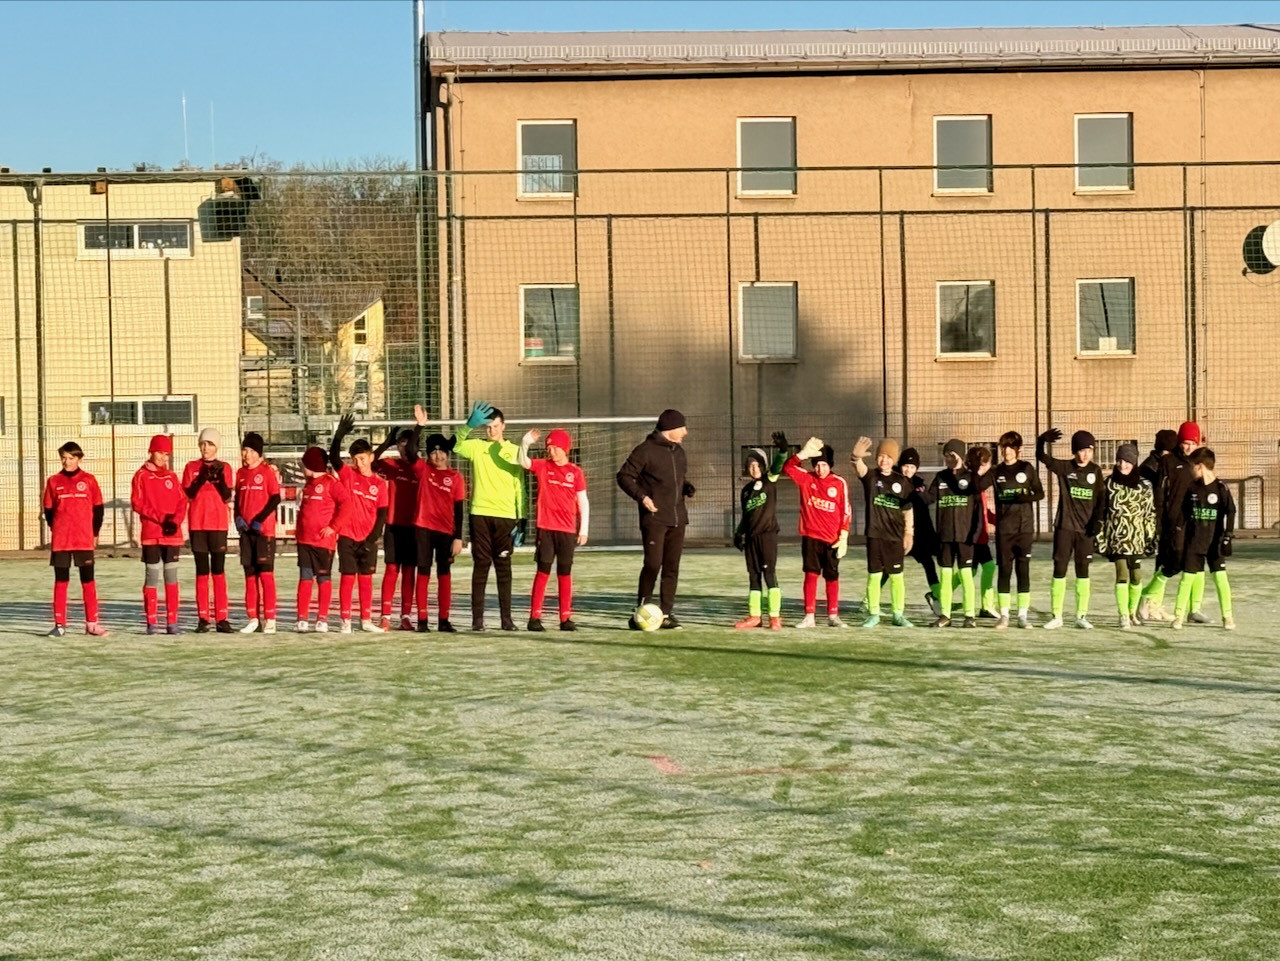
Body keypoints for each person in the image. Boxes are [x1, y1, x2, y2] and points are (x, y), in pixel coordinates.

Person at [617, 409, 694, 631]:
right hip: (655, 518)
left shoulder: (679, 452)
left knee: (672, 567)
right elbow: (624, 476)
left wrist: (686, 486)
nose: (686, 432)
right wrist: (642, 497)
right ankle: (640, 610)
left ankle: (666, 613)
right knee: (653, 564)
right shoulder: (645, 451)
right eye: (682, 428)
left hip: (678, 518)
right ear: (670, 429)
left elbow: (676, 478)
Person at [453, 401, 526, 631]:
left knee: (504, 567)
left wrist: (522, 518)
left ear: (503, 426)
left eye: (495, 426)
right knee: (481, 565)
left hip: (505, 516)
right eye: (487, 427)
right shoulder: (476, 447)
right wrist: (467, 426)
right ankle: (477, 621)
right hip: (480, 514)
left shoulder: (515, 452)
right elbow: (454, 446)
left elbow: (519, 486)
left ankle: (507, 620)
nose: (491, 430)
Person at [519, 427, 590, 632]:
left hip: (567, 530)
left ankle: (565, 618)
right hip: (546, 528)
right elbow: (523, 461)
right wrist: (525, 442)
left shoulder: (576, 473)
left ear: (565, 448)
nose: (551, 451)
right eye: (548, 447)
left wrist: (583, 529)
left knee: (564, 573)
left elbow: (583, 502)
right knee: (543, 571)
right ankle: (534, 617)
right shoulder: (542, 466)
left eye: (555, 447)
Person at [1036, 427, 1106, 630]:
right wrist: (1041, 440)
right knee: (1060, 569)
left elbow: (1101, 498)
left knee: (1083, 571)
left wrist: (1098, 521)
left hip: (1086, 531)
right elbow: (1041, 456)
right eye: (1082, 450)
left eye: (1090, 450)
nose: (1086, 454)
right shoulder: (1065, 468)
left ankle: (1081, 615)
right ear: (1074, 451)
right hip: (1065, 527)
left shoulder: (1096, 471)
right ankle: (1056, 615)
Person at [781, 436, 851, 629]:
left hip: (832, 539)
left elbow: (846, 510)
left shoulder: (839, 483)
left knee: (832, 576)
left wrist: (843, 535)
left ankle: (833, 615)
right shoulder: (806, 478)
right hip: (811, 537)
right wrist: (802, 455)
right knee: (811, 574)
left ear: (830, 465)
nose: (820, 469)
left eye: (824, 465)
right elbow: (787, 468)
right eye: (817, 465)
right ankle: (809, 615)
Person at [330, 414, 390, 634]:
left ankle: (366, 620)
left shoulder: (380, 484)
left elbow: (382, 514)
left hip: (368, 539)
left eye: (362, 458)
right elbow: (334, 458)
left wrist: (373, 538)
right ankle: (345, 620)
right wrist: (339, 435)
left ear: (371, 457)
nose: (358, 463)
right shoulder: (348, 475)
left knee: (366, 580)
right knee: (347, 578)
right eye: (355, 459)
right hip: (347, 535)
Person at [409, 405, 466, 632]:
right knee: (422, 572)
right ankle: (422, 619)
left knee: (444, 573)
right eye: (433, 452)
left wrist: (458, 538)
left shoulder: (456, 477)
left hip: (445, 533)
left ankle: (444, 619)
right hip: (423, 529)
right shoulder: (423, 471)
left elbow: (459, 509)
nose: (438, 455)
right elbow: (412, 450)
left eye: (442, 451)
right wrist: (419, 427)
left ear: (448, 454)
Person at [1138, 421, 1202, 623]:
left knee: (1195, 563)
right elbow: (1160, 494)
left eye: (1192, 442)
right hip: (1172, 523)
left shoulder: (1199, 462)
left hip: (1195, 522)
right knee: (1170, 563)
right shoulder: (1170, 462)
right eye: (1185, 442)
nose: (1188, 446)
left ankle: (1194, 609)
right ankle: (1149, 600)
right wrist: (1159, 520)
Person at [923, 439, 991, 628]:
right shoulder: (940, 477)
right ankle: (945, 614)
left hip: (965, 537)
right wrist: (915, 491)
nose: (948, 459)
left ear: (960, 456)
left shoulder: (970, 478)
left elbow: (978, 505)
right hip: (945, 536)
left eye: (952, 455)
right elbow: (929, 498)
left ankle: (970, 616)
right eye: (946, 456)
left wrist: (975, 534)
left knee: (965, 576)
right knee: (945, 575)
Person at [43, 441, 108, 637]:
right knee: (61, 581)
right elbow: (48, 510)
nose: (66, 461)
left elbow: (98, 510)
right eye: (63, 457)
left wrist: (94, 533)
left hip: (83, 539)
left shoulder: (89, 480)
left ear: (79, 458)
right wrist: (58, 529)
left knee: (88, 581)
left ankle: (92, 623)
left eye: (71, 458)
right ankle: (60, 624)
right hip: (61, 541)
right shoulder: (53, 481)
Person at [851, 437, 915, 628]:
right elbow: (859, 467)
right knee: (874, 575)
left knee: (896, 577)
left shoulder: (902, 482)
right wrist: (856, 458)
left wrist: (909, 533)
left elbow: (908, 510)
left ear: (894, 459)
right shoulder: (871, 477)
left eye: (888, 457)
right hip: (875, 535)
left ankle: (898, 614)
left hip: (894, 537)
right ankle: (873, 613)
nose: (884, 460)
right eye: (880, 456)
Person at [1172, 448, 1236, 631]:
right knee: (1187, 579)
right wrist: (1178, 535)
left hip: (1214, 543)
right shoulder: (1192, 488)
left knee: (1221, 580)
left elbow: (1231, 511)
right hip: (1194, 543)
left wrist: (1228, 536)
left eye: (1192, 466)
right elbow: (1183, 514)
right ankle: (1178, 617)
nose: (1190, 470)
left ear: (1200, 467)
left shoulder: (1221, 488)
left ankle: (1228, 617)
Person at [1095, 443, 1156, 629]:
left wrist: (1150, 538)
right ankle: (1123, 615)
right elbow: (1101, 513)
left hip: (1137, 539)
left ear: (1135, 462)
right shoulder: (1108, 484)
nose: (1123, 466)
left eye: (1127, 461)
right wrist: (1101, 539)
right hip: (1117, 539)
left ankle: (1131, 611)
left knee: (1136, 576)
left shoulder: (1145, 486)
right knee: (1122, 574)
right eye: (1120, 461)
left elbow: (1149, 513)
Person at [131, 433, 187, 634]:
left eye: (167, 454)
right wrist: (160, 518)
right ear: (151, 452)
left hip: (172, 535)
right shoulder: (141, 476)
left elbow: (182, 501)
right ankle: (151, 622)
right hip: (152, 533)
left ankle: (172, 622)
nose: (164, 457)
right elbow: (138, 503)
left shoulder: (172, 476)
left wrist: (175, 521)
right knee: (152, 576)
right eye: (160, 453)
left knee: (171, 577)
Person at [732, 436, 789, 630]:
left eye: (757, 465)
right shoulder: (746, 491)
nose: (754, 469)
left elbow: (777, 466)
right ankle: (755, 617)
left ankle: (775, 617)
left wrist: (782, 451)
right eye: (750, 465)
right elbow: (746, 517)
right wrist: (739, 534)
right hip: (751, 538)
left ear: (763, 466)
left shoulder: (769, 481)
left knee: (769, 574)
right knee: (753, 576)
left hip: (767, 537)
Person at [182, 427, 235, 633]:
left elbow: (226, 496)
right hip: (198, 525)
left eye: (210, 444)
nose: (206, 448)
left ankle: (222, 617)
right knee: (202, 572)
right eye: (203, 444)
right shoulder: (191, 467)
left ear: (216, 446)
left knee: (219, 571)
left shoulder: (225, 467)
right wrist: (201, 477)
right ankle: (203, 617)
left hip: (218, 525)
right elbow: (189, 493)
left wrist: (219, 478)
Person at [990, 431, 1044, 629]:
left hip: (1024, 528)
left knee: (1023, 570)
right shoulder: (996, 471)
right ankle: (1004, 615)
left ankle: (1022, 615)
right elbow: (979, 484)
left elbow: (1040, 493)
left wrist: (1026, 498)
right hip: (1005, 529)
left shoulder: (1027, 468)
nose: (1007, 451)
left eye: (1011, 448)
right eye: (1004, 448)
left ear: (1018, 450)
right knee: (1004, 570)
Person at [294, 446, 349, 632]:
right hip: (304, 540)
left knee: (323, 578)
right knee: (305, 577)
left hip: (323, 542)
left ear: (312, 465)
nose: (302, 468)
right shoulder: (308, 484)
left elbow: (346, 505)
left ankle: (322, 618)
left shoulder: (331, 483)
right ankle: (302, 618)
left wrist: (333, 527)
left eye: (304, 465)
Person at [373, 426, 420, 631]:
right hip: (393, 525)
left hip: (415, 527)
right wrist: (386, 442)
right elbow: (370, 462)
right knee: (392, 569)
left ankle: (406, 616)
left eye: (408, 445)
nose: (404, 450)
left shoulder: (421, 468)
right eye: (400, 445)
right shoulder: (392, 465)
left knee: (410, 571)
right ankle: (385, 615)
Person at [234, 432, 281, 634]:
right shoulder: (240, 473)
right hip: (246, 533)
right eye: (244, 450)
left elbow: (275, 498)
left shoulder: (267, 472)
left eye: (250, 450)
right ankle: (253, 618)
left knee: (266, 575)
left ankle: (270, 618)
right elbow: (238, 500)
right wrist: (238, 518)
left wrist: (259, 520)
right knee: (249, 576)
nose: (246, 454)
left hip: (263, 532)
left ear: (258, 453)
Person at [895, 447, 942, 617]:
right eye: (906, 465)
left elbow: (927, 502)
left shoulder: (919, 484)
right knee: (890, 567)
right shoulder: (892, 480)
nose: (908, 470)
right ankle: (868, 601)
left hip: (919, 534)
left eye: (913, 467)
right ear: (900, 465)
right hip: (898, 533)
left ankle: (937, 597)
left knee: (929, 563)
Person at [969, 447, 1000, 618]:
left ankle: (986, 607)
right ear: (982, 464)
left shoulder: (978, 484)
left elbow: (984, 510)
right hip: (974, 536)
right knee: (979, 569)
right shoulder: (974, 483)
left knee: (980, 569)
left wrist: (997, 520)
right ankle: (939, 595)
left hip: (980, 536)